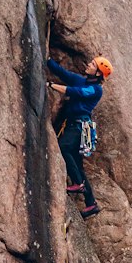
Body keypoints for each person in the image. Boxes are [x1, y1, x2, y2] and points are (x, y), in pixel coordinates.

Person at [46, 54, 113, 218]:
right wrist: (47, 60)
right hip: (73, 124)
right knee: (77, 164)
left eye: (92, 64)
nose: (89, 64)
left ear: (98, 73)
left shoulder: (96, 89)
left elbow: (76, 92)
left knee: (64, 148)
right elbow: (64, 74)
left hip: (79, 126)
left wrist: (51, 85)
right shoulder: (81, 80)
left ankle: (78, 184)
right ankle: (91, 204)